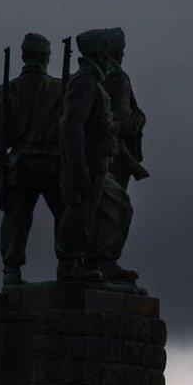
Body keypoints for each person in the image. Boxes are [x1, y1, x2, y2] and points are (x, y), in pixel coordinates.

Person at [0, 32, 67, 286]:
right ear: (47, 58)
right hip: (52, 163)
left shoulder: (6, 90)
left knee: (16, 218)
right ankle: (68, 264)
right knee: (65, 214)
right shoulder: (60, 88)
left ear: (23, 56)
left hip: (21, 164)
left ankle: (11, 270)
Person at [57, 28, 120, 281]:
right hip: (85, 161)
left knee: (100, 212)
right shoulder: (85, 80)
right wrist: (78, 164)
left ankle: (85, 262)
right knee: (78, 213)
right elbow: (71, 123)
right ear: (99, 54)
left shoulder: (94, 80)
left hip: (97, 161)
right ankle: (69, 267)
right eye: (105, 52)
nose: (109, 57)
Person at [90, 27, 146, 281]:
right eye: (120, 48)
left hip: (101, 153)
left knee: (95, 210)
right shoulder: (118, 78)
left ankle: (95, 262)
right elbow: (123, 121)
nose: (123, 53)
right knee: (116, 209)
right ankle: (105, 261)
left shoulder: (95, 76)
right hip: (116, 155)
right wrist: (141, 119)